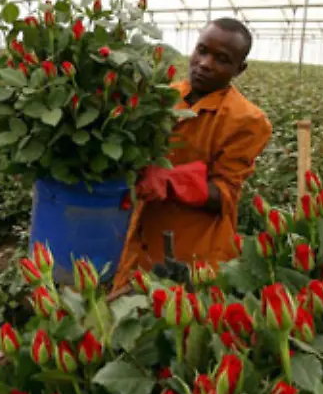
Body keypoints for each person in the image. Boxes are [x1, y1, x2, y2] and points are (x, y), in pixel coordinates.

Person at [111, 18, 272, 294]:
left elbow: (225, 195)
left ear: (239, 69)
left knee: (178, 322)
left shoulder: (246, 120)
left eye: (222, 59)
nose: (206, 63)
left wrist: (172, 181)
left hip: (194, 249)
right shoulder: (164, 97)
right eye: (202, 50)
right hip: (144, 232)